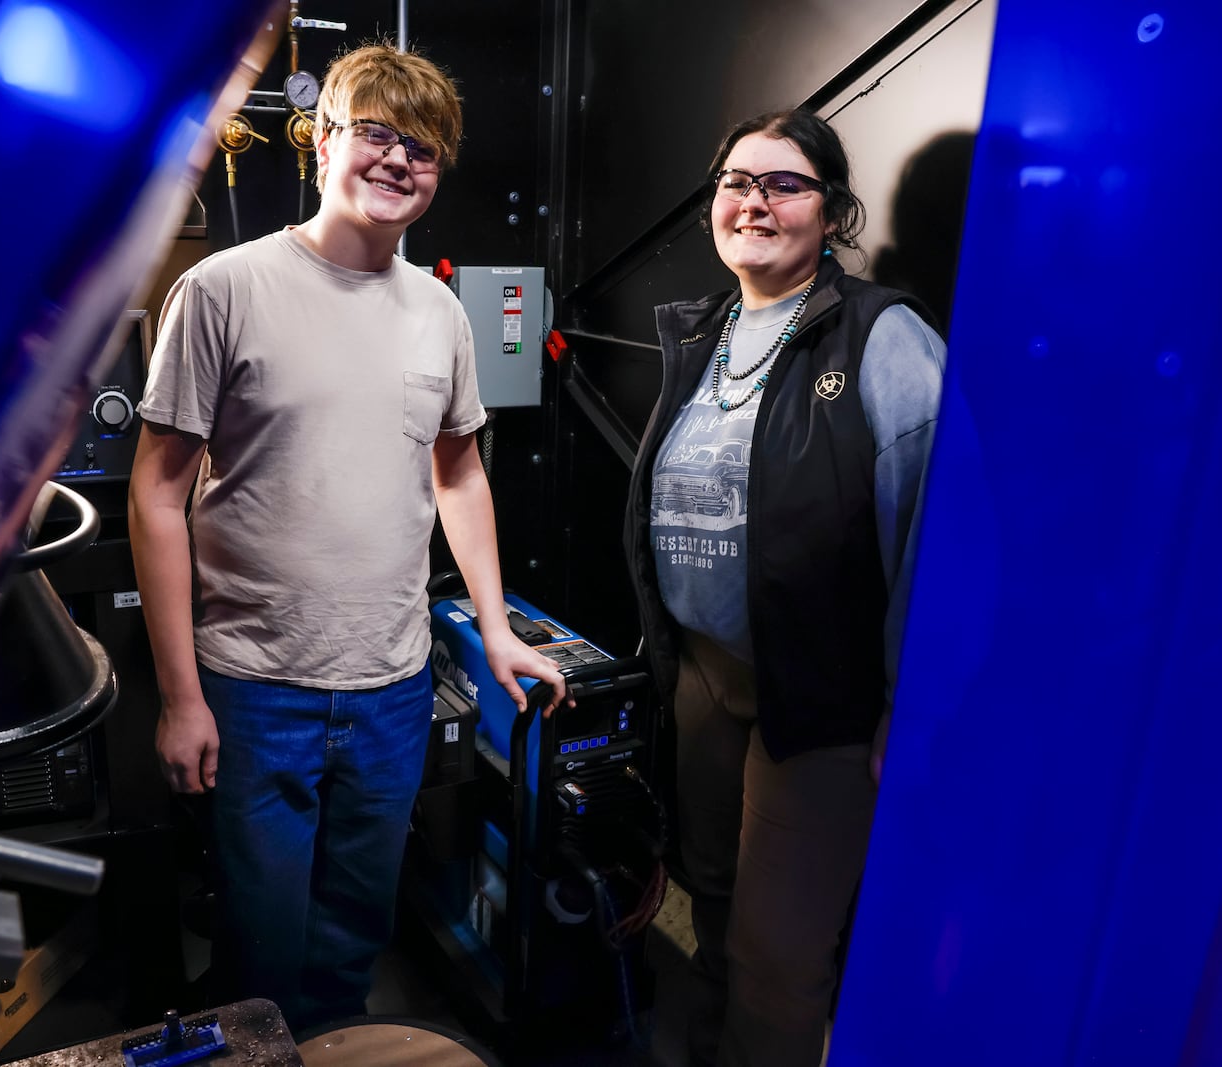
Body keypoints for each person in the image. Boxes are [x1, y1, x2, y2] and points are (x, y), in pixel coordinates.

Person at [128, 42, 567, 1033]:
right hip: (252, 685)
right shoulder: (224, 289)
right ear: (322, 140)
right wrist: (182, 696)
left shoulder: (440, 315)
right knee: (259, 949)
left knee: (350, 940)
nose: (398, 160)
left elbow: (457, 469)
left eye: (423, 147)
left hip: (391, 686)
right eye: (376, 133)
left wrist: (494, 627)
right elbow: (156, 497)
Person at [623, 109, 946, 1067]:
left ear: (834, 211)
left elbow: (936, 537)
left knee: (777, 952)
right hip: (707, 674)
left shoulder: (884, 338)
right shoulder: (709, 330)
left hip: (821, 698)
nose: (753, 200)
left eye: (783, 183)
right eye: (736, 181)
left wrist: (906, 707)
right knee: (709, 893)